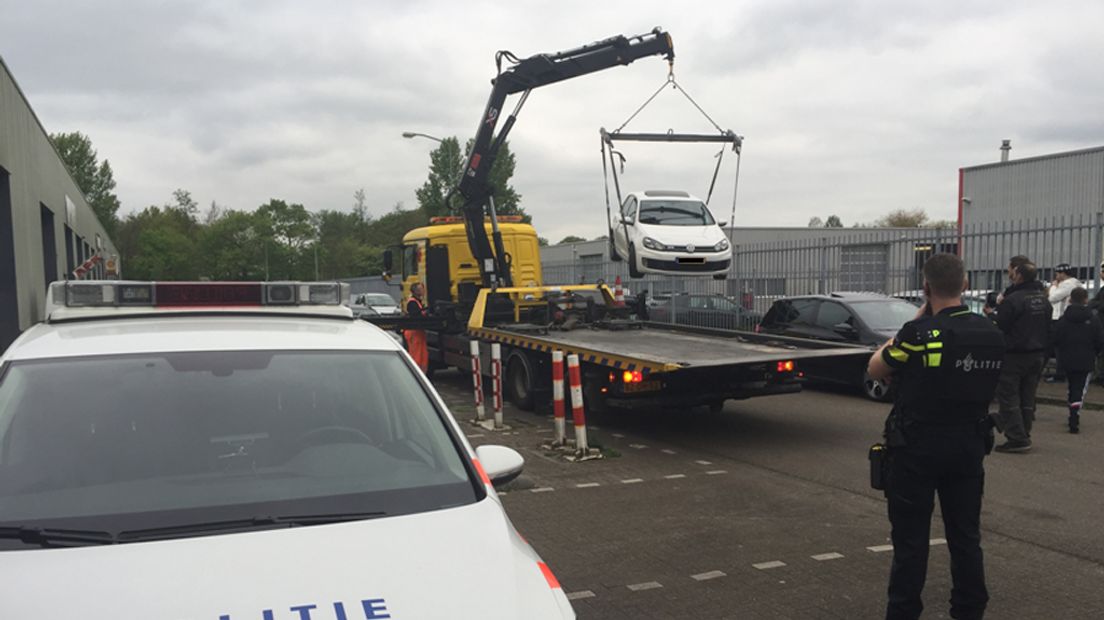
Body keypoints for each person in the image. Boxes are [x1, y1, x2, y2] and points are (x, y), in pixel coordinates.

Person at [869, 253, 1006, 620]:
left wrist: (918, 318)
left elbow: (876, 366)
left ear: (926, 288)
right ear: (964, 285)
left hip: (916, 448)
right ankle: (969, 610)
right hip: (968, 446)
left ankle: (903, 613)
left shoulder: (919, 334)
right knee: (966, 537)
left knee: (911, 542)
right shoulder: (992, 333)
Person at [989, 262, 1051, 453]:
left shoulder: (1013, 299)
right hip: (1037, 354)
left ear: (1018, 275)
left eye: (1012, 271)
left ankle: (1017, 437)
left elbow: (1001, 325)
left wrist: (993, 314)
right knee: (1027, 396)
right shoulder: (1043, 299)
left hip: (1014, 355)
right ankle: (1025, 432)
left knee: (1009, 397)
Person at [1053, 286, 1104, 433]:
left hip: (1067, 359)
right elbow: (1099, 340)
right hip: (1086, 359)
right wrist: (1094, 353)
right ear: (1086, 300)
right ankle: (1074, 414)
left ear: (1069, 300)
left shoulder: (1063, 320)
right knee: (1079, 388)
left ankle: (1072, 409)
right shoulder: (1093, 320)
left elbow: (1055, 338)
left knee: (1071, 386)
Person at [1045, 263, 1082, 382]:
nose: (1056, 276)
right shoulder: (1073, 284)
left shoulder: (1068, 284)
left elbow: (1052, 298)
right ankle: (1060, 372)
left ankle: (1060, 374)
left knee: (1059, 348)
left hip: (1060, 318)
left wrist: (1054, 287)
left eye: (1057, 273)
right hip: (1063, 318)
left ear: (1063, 274)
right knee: (1059, 347)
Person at [403, 282, 429, 372]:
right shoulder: (412, 303)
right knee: (416, 356)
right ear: (415, 291)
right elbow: (416, 316)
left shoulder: (418, 302)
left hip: (418, 333)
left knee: (422, 356)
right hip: (414, 333)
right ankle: (415, 373)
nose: (423, 291)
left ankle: (421, 374)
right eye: (421, 289)